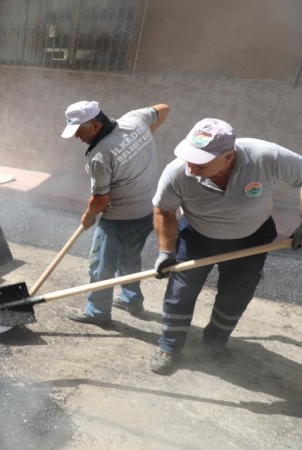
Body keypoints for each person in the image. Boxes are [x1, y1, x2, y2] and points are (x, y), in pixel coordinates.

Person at [149, 118, 302, 374]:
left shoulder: (266, 157)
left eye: (200, 162)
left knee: (236, 295)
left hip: (252, 238)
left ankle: (214, 344)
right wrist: (166, 251)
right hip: (197, 237)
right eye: (189, 157)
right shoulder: (178, 172)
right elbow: (163, 210)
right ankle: (169, 346)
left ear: (228, 157)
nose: (191, 167)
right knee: (181, 293)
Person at [61, 100, 169, 325]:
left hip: (120, 218)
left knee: (101, 264)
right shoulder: (135, 120)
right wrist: (144, 136)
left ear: (95, 126)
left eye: (79, 130)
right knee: (129, 257)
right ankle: (132, 300)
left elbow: (101, 200)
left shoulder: (100, 156)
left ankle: (97, 312)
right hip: (147, 210)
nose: (76, 136)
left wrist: (88, 216)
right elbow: (163, 108)